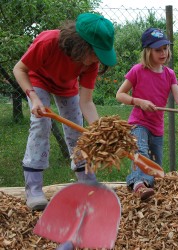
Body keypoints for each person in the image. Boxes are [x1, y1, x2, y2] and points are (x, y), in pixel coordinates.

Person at [13, 13, 117, 210]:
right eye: (96, 53)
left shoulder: (91, 63)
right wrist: (34, 98)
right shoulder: (48, 42)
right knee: (41, 124)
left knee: (78, 131)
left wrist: (101, 130)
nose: (98, 59)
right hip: (37, 80)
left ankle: (87, 181)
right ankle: (34, 187)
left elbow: (86, 102)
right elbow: (19, 69)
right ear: (80, 45)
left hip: (66, 87)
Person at [116, 28, 178, 200]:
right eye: (158, 49)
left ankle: (146, 186)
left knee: (155, 165)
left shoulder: (169, 74)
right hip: (138, 122)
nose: (163, 53)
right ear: (148, 51)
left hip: (156, 127)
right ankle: (138, 184)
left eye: (165, 48)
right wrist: (139, 102)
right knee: (140, 152)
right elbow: (119, 94)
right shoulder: (138, 70)